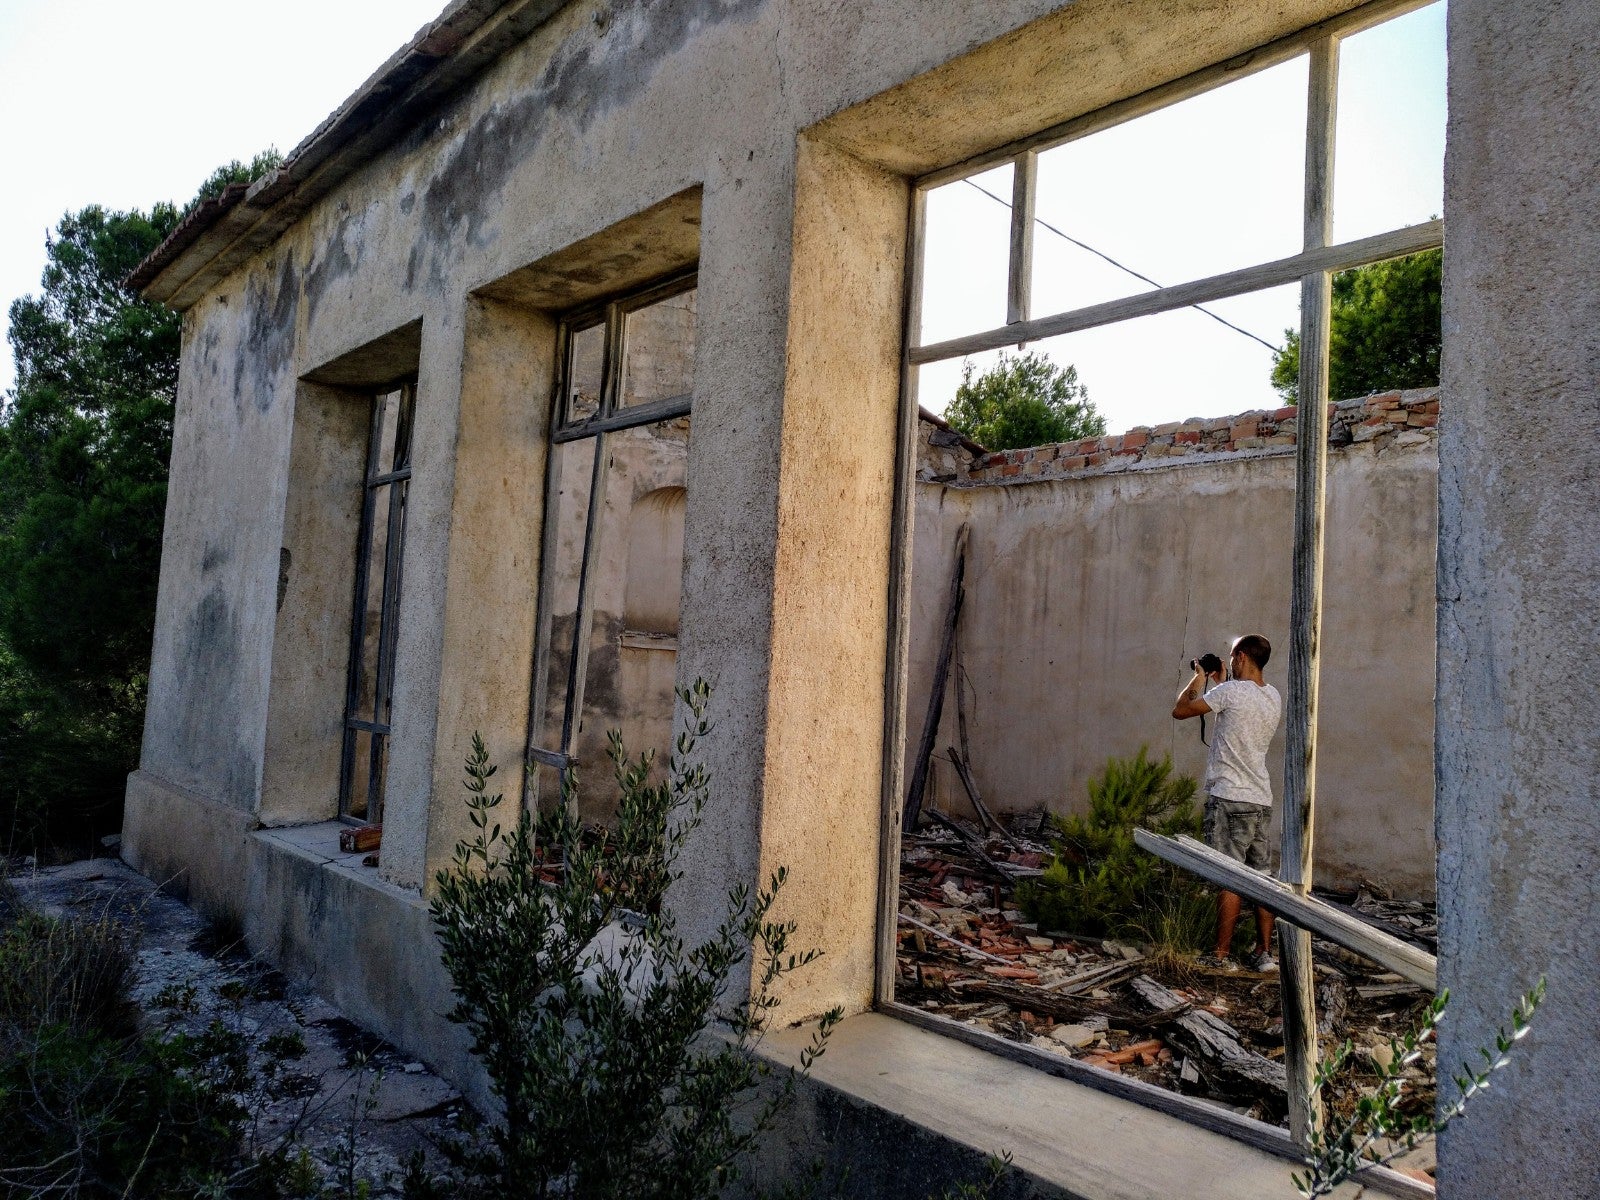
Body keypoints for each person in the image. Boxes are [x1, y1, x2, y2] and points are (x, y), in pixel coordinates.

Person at [1171, 634, 1282, 972]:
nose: (1230, 661)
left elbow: (1181, 710)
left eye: (1233, 656)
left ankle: (1221, 955)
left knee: (1227, 877)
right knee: (1261, 877)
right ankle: (1264, 954)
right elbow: (1238, 710)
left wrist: (1200, 677)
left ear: (1242, 656)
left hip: (1229, 797)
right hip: (1260, 797)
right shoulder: (1272, 695)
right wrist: (1221, 681)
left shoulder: (1230, 692)